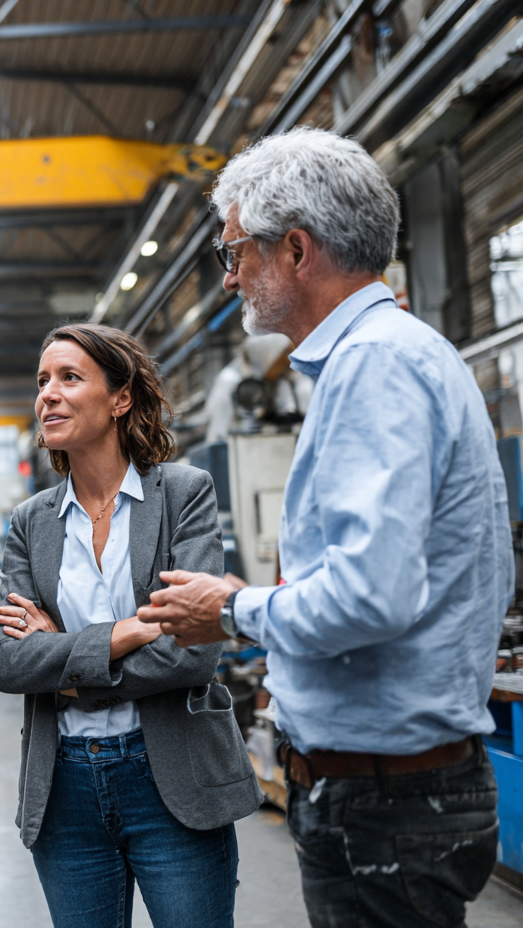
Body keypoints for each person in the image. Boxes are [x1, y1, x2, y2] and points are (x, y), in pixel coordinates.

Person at [139, 127, 512, 928]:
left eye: (235, 251)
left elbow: (369, 597)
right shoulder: (393, 355)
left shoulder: (376, 364)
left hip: (385, 802)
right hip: (391, 790)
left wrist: (231, 609)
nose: (230, 274)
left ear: (297, 250)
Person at [0, 323, 262, 928]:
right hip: (65, 788)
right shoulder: (31, 522)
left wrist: (67, 669)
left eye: (69, 377)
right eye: (42, 381)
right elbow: (7, 661)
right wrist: (128, 632)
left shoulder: (184, 494)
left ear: (120, 398)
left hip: (173, 776)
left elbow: (193, 650)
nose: (48, 394)